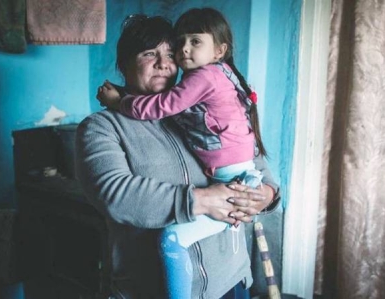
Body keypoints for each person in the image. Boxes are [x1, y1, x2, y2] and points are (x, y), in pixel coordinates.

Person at [75, 13, 279, 299]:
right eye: (149, 54)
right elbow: (115, 194)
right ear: (124, 64)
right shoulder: (101, 128)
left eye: (170, 54)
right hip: (151, 290)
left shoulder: (196, 110)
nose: (163, 63)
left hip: (230, 281)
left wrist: (266, 194)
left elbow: (251, 157)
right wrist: (204, 200)